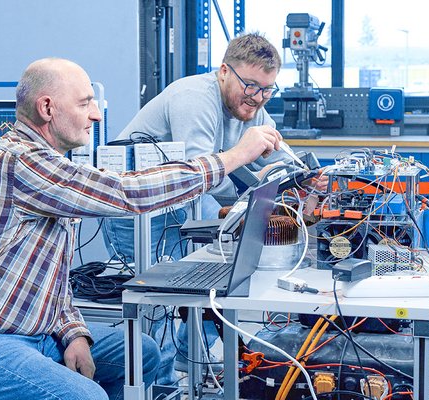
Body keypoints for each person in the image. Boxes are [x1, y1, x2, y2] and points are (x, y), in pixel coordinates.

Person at [0, 57, 282, 400]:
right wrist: (233, 157)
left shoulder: (48, 167)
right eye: (85, 104)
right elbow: (125, 192)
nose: (96, 115)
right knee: (88, 395)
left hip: (31, 336)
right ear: (47, 109)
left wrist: (73, 332)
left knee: (142, 353)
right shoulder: (17, 160)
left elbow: (48, 278)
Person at [101, 32, 290, 383]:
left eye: (267, 89)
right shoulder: (195, 99)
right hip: (139, 213)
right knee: (155, 304)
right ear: (223, 72)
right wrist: (245, 188)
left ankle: (194, 364)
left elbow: (276, 153)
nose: (257, 98)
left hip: (182, 208)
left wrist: (300, 175)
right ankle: (159, 384)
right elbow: (197, 175)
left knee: (202, 285)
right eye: (250, 85)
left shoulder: (251, 107)